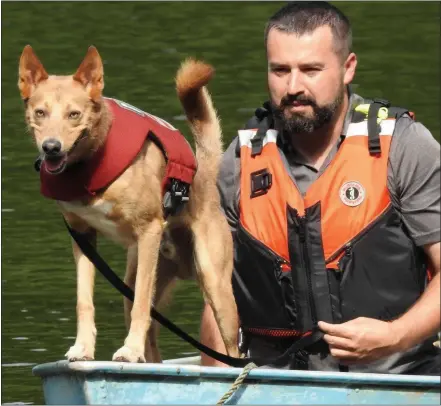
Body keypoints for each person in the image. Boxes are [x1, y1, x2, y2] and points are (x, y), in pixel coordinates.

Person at [199, 1, 440, 374]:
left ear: (348, 68)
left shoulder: (405, 147)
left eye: (310, 70)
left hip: (400, 377)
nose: (293, 87)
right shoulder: (240, 160)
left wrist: (396, 336)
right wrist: (212, 384)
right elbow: (218, 291)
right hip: (277, 387)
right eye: (280, 70)